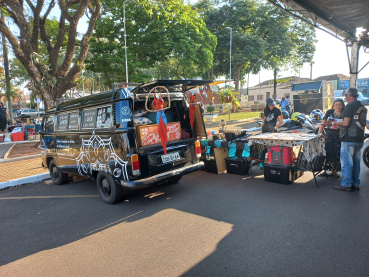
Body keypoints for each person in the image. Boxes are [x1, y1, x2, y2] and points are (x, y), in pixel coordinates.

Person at [328, 88, 368, 192]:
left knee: (346, 163)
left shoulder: (349, 106)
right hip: (359, 139)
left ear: (346, 96)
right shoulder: (362, 107)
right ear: (357, 95)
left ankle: (346, 184)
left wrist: (333, 123)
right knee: (356, 163)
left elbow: (345, 123)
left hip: (348, 138)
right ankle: (355, 183)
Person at [317, 99, 345, 178]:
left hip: (340, 135)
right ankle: (325, 170)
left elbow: (345, 125)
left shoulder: (345, 113)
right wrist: (319, 132)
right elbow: (323, 123)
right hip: (329, 135)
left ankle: (334, 171)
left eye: (340, 105)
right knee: (327, 152)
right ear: (333, 105)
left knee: (336, 154)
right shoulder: (329, 112)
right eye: (336, 105)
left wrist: (335, 124)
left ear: (342, 105)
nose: (338, 106)